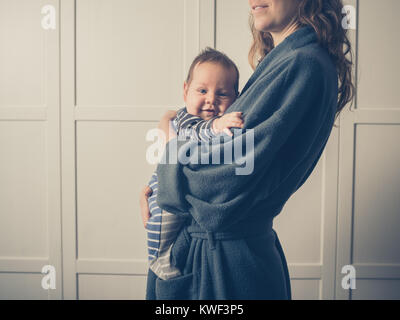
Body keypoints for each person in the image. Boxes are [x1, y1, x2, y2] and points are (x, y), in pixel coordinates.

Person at [140, 0, 354, 300]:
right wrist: (161, 185)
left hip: (227, 267)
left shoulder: (300, 64)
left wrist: (166, 172)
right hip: (216, 255)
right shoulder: (283, 60)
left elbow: (217, 188)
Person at [142, 48, 244, 281]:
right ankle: (158, 259)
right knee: (161, 223)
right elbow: (195, 132)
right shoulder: (187, 119)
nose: (211, 100)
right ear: (185, 90)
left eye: (223, 94)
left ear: (236, 97)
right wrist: (217, 126)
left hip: (187, 200)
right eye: (202, 90)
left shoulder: (223, 127)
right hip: (165, 188)